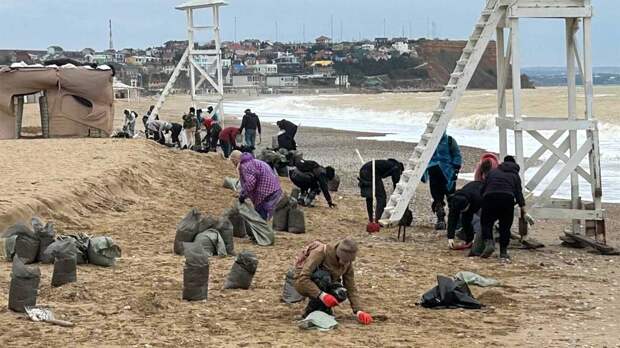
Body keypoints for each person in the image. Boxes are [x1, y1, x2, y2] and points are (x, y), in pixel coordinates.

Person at [293, 239, 373, 325]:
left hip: (326, 285)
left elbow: (350, 287)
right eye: (344, 259)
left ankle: (324, 309)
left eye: (348, 261)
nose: (345, 263)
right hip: (304, 284)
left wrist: (358, 311)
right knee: (323, 278)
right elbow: (303, 278)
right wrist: (322, 295)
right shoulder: (321, 252)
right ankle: (310, 311)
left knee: (341, 292)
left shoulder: (348, 263)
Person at [447, 154, 498, 250]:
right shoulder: (455, 202)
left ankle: (486, 239)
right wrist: (450, 237)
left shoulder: (478, 197)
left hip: (482, 194)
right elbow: (452, 218)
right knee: (465, 220)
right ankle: (469, 239)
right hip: (470, 194)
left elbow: (487, 214)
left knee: (483, 220)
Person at [480, 155, 526, 260]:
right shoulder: (515, 176)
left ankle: (489, 243)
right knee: (505, 227)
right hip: (507, 198)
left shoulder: (493, 172)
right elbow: (519, 194)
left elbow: (483, 189)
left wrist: (482, 201)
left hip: (490, 197)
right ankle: (503, 252)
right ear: (515, 165)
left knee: (486, 222)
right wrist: (524, 210)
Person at [422, 133, 462, 230]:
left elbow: (457, 155)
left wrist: (456, 170)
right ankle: (445, 220)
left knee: (448, 198)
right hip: (437, 172)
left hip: (446, 173)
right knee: (439, 198)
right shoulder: (448, 141)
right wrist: (456, 168)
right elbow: (457, 155)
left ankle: (450, 221)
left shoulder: (449, 140)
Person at [230, 150, 283, 220]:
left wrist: (243, 196)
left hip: (267, 192)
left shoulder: (245, 165)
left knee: (261, 216)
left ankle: (262, 228)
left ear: (236, 159)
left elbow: (251, 183)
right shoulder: (252, 162)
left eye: (233, 162)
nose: (234, 164)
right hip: (274, 188)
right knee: (261, 213)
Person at [358, 159, 405, 233]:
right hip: (371, 172)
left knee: (369, 197)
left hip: (363, 170)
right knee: (381, 197)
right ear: (401, 169)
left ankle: (371, 219)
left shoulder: (389, 163)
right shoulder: (396, 167)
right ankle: (378, 220)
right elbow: (396, 184)